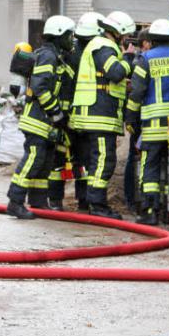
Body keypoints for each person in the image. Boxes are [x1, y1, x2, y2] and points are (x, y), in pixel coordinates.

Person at [6, 15, 76, 218]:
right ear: (59, 34)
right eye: (69, 35)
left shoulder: (56, 55)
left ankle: (38, 201)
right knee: (34, 159)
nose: (71, 39)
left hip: (47, 123)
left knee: (44, 163)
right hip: (39, 120)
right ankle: (15, 200)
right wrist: (56, 112)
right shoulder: (48, 56)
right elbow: (39, 86)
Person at [69, 11, 136, 220]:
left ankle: (90, 201)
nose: (126, 42)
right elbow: (115, 72)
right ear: (118, 33)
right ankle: (97, 205)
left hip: (96, 114)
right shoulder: (103, 46)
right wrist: (128, 58)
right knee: (103, 161)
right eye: (126, 37)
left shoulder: (101, 45)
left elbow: (106, 81)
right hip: (98, 116)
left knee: (94, 161)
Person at [126, 19, 169, 225]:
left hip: (154, 125)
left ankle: (149, 211)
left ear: (152, 39)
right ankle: (168, 211)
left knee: (150, 166)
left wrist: (130, 118)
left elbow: (137, 92)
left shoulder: (145, 59)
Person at [57, 12, 105, 212]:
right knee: (86, 159)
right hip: (87, 115)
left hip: (64, 115)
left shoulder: (70, 51)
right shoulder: (96, 52)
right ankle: (84, 200)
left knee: (62, 159)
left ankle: (55, 201)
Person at [124, 27, 151, 214]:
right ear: (145, 44)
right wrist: (131, 120)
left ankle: (139, 201)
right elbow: (136, 93)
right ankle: (133, 201)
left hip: (146, 117)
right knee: (135, 158)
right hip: (139, 118)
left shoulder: (145, 60)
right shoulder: (139, 61)